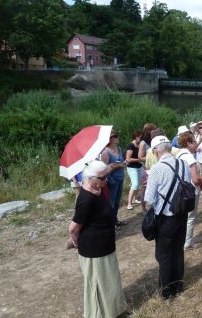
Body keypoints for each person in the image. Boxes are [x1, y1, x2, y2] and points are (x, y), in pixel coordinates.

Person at [67, 160, 126, 317]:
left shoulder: (98, 189)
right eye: (102, 178)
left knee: (109, 281)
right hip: (93, 248)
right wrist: (75, 242)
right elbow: (73, 227)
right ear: (90, 178)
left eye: (106, 176)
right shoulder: (86, 199)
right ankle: (98, 314)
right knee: (97, 283)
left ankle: (111, 310)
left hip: (105, 244)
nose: (105, 180)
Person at [144, 136, 191, 299]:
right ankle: (178, 286)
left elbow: (149, 200)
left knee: (164, 255)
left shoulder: (157, 168)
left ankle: (166, 291)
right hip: (182, 214)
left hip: (166, 218)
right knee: (178, 251)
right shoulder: (183, 163)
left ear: (156, 150)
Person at [176, 132, 202, 249]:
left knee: (181, 216)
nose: (196, 143)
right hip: (190, 191)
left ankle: (180, 239)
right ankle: (188, 243)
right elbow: (195, 178)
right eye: (194, 141)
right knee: (190, 217)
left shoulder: (178, 155)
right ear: (188, 143)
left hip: (179, 189)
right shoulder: (190, 157)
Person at [101, 129, 126, 226]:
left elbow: (120, 161)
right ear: (110, 139)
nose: (118, 138)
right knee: (111, 203)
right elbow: (104, 169)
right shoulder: (106, 152)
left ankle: (115, 220)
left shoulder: (118, 149)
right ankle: (110, 223)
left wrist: (124, 163)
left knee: (117, 202)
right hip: (112, 181)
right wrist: (117, 166)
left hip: (120, 179)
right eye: (116, 136)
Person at [139, 123, 157, 213]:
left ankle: (154, 206)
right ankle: (143, 208)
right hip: (146, 169)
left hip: (154, 167)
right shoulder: (143, 143)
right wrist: (152, 156)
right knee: (144, 188)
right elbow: (140, 157)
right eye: (154, 130)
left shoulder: (152, 141)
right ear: (149, 131)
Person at [125, 130, 143, 210]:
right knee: (135, 184)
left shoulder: (140, 145)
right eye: (139, 137)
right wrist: (139, 160)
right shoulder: (130, 146)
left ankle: (134, 199)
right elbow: (128, 159)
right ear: (135, 137)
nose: (141, 138)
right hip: (132, 168)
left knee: (137, 184)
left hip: (139, 167)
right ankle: (129, 203)